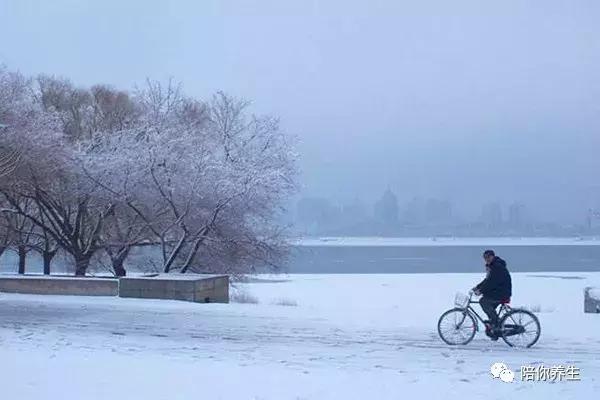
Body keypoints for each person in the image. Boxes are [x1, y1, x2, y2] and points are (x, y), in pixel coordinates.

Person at [472, 250, 512, 340]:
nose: (487, 259)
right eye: (485, 258)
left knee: (483, 301)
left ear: (493, 256)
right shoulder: (492, 266)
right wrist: (478, 287)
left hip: (502, 293)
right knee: (487, 303)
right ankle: (494, 325)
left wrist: (481, 291)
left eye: (488, 257)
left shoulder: (497, 267)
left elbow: (492, 283)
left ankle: (496, 324)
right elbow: (487, 280)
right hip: (499, 291)